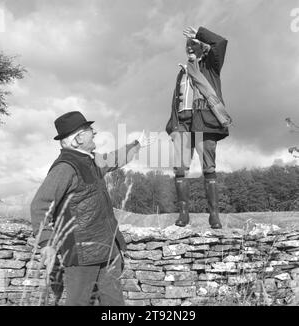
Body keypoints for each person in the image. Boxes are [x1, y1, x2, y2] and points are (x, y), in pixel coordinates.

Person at [31, 111, 153, 306]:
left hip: (107, 250)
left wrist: (136, 144)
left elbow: (114, 158)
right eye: (88, 130)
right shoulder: (65, 168)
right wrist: (47, 242)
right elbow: (41, 205)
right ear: (78, 138)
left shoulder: (90, 159)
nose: (94, 132)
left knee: (114, 304)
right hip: (81, 256)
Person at [166, 26, 232, 228]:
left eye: (194, 45)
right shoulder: (182, 72)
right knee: (179, 168)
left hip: (204, 121)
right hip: (183, 124)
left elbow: (220, 42)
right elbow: (176, 101)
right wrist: (174, 125)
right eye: (188, 46)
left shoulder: (211, 66)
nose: (190, 48)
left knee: (208, 168)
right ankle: (183, 214)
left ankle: (214, 216)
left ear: (203, 48)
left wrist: (200, 35)